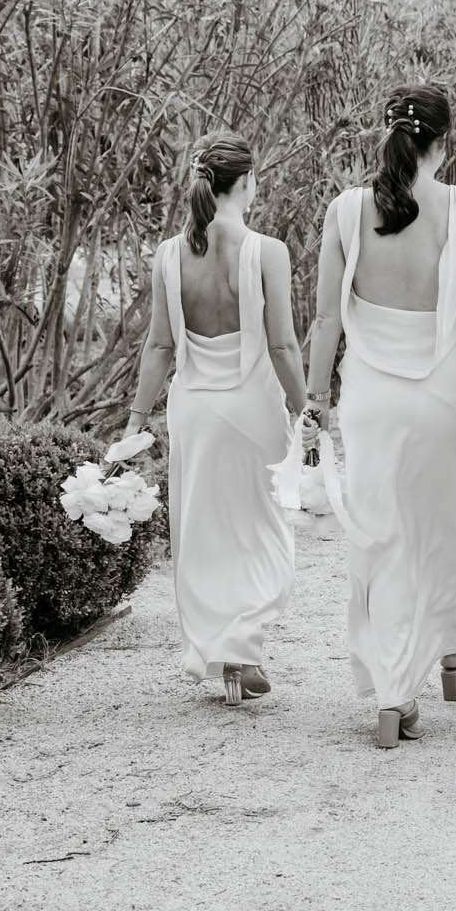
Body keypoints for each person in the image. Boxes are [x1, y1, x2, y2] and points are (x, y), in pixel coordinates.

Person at [302, 84, 456, 748]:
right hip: (443, 397)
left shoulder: (346, 211)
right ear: (446, 140)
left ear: (382, 135)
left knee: (382, 537)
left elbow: (328, 318)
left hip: (370, 402)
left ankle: (393, 693)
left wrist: (315, 398)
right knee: (442, 529)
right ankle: (447, 653)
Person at [125, 132, 304, 706]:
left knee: (203, 531)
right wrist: (306, 408)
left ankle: (222, 650)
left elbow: (157, 348)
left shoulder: (169, 255)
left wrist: (134, 420)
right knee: (263, 527)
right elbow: (282, 347)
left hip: (196, 410)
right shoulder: (267, 252)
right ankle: (244, 641)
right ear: (247, 183)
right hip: (253, 409)